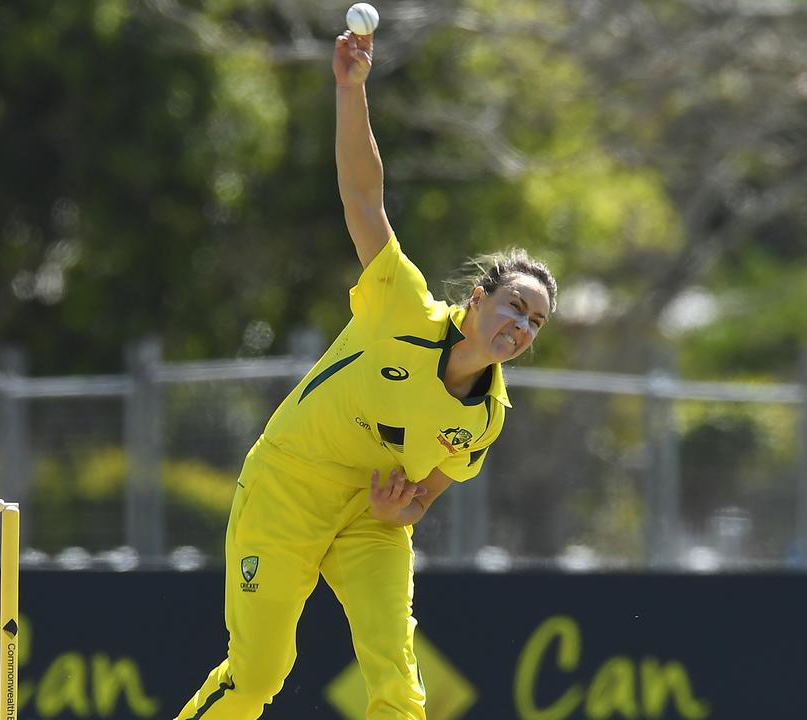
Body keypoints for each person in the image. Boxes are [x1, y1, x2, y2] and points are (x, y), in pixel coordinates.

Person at [171, 27, 557, 720]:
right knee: (257, 678)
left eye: (534, 323)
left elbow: (423, 496)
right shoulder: (401, 305)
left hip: (369, 521)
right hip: (287, 489)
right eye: (514, 306)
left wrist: (395, 513)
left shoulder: (486, 417)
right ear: (478, 300)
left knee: (399, 691)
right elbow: (362, 199)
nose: (520, 327)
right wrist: (351, 91)